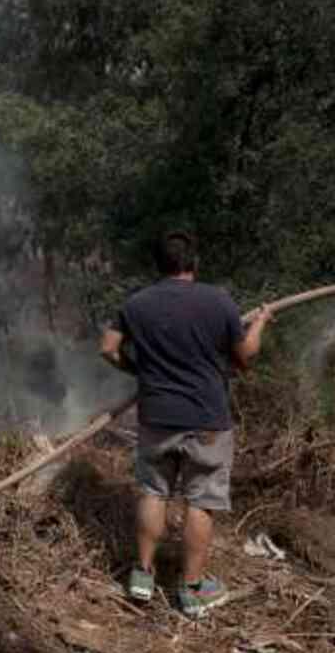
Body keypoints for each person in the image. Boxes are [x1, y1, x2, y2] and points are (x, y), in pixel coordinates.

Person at [99, 231, 273, 618]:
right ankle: (192, 590)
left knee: (153, 492)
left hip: (156, 416)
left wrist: (136, 369)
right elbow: (244, 358)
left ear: (158, 264)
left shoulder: (136, 304)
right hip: (207, 420)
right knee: (201, 500)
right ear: (194, 263)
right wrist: (260, 322)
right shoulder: (219, 301)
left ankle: (142, 576)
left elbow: (107, 348)